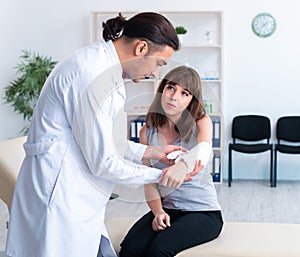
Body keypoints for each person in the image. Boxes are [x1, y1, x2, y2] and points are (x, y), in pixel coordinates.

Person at [6, 13, 202, 257]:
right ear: (141, 48)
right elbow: (104, 161)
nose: (156, 73)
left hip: (75, 192)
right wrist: (161, 175)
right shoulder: (91, 74)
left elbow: (105, 139)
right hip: (60, 193)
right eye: (159, 63)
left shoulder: (103, 69)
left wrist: (151, 151)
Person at [119, 66, 224, 257]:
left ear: (191, 100)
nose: (174, 97)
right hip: (168, 210)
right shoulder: (146, 132)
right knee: (130, 248)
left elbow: (205, 148)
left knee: (159, 250)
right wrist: (158, 212)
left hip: (203, 213)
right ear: (162, 89)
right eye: (171, 88)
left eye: (184, 93)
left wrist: (182, 166)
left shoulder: (200, 122)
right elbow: (149, 180)